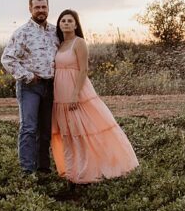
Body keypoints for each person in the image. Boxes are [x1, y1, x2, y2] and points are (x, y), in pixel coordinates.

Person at [51, 9, 139, 183]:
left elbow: (83, 70)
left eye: (70, 21)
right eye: (63, 21)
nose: (66, 23)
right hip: (59, 94)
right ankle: (73, 171)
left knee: (84, 130)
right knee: (68, 133)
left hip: (76, 92)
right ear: (59, 24)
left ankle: (92, 169)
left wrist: (75, 94)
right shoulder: (59, 44)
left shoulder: (79, 43)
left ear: (76, 25)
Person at [1, 0, 59, 175]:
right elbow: (7, 59)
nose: (41, 10)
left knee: (45, 129)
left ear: (48, 8)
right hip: (30, 87)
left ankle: (43, 168)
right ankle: (27, 170)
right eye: (37, 7)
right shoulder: (22, 32)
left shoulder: (55, 32)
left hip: (50, 86)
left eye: (44, 7)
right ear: (30, 9)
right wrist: (27, 76)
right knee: (29, 127)